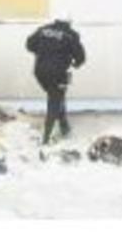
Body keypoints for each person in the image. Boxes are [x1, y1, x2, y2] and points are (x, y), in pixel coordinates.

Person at [26, 11, 86, 144]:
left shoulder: (43, 30)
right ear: (69, 22)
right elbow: (81, 57)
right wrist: (75, 63)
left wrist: (43, 52)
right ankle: (47, 137)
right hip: (58, 73)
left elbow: (29, 44)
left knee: (57, 96)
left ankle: (64, 126)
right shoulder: (71, 35)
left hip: (40, 72)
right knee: (54, 99)